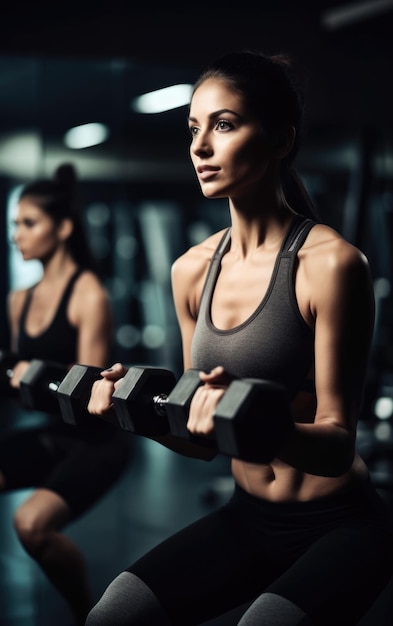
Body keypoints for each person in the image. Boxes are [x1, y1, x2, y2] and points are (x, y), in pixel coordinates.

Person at [85, 50, 393, 626]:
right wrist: (142, 415)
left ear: (281, 140)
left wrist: (257, 421)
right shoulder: (189, 271)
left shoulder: (330, 265)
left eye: (223, 125)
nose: (199, 147)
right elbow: (201, 440)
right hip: (247, 517)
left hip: (341, 523)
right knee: (111, 617)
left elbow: (336, 445)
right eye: (194, 129)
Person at [0, 163, 132, 626]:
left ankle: (91, 616)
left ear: (62, 228)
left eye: (28, 223)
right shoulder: (18, 300)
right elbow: (28, 392)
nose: (16, 236)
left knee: (31, 525)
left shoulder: (89, 294)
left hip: (97, 443)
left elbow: (87, 394)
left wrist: (32, 374)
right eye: (14, 225)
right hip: (51, 434)